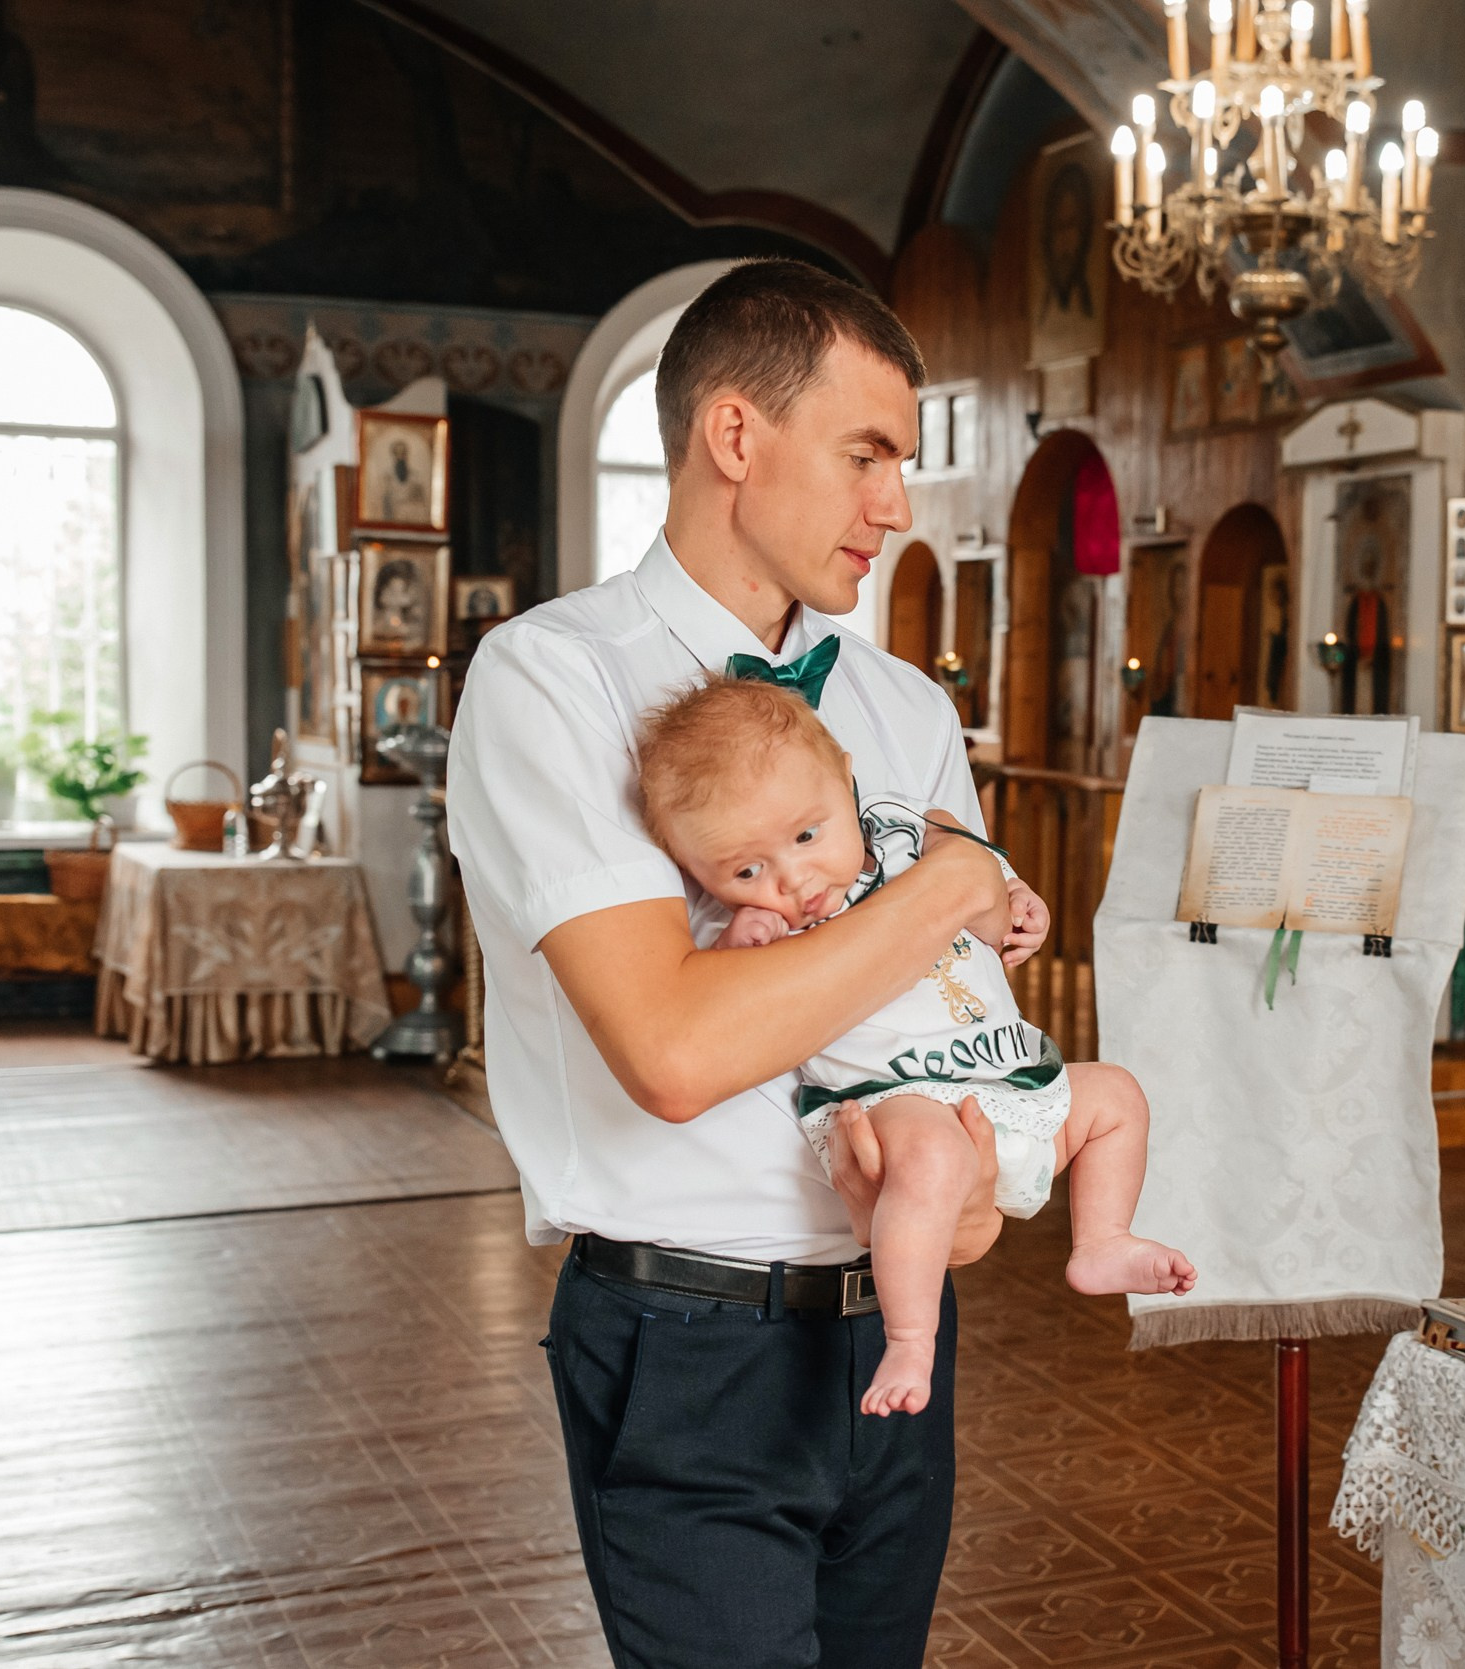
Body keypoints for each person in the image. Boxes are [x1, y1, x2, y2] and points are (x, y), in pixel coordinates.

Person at [447, 258, 1017, 1669]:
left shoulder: (904, 706)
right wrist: (946, 882)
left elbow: (965, 1025)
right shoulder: (553, 677)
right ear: (735, 435)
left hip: (896, 1333)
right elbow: (676, 1050)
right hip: (688, 1339)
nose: (896, 505)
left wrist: (972, 1198)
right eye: (866, 455)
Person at [633, 676, 1196, 1414]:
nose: (794, 879)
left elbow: (979, 866)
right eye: (746, 870)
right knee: (931, 1158)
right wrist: (743, 943)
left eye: (807, 836)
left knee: (1116, 1095)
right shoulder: (756, 926)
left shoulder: (904, 829)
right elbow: (730, 1005)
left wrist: (1019, 896)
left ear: (846, 778)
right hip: (893, 1101)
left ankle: (1100, 1239)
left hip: (1010, 1086)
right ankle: (908, 1337)